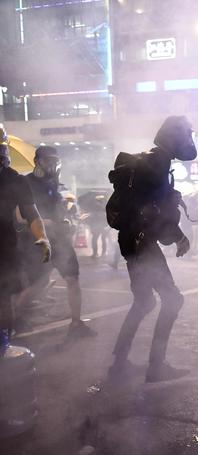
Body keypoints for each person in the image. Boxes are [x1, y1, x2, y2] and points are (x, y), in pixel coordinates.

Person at [107, 115, 194, 383]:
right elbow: (152, 212)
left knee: (144, 302)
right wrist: (178, 236)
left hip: (131, 239)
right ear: (176, 138)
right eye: (186, 135)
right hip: (141, 242)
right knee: (172, 299)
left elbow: (147, 206)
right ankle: (156, 367)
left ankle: (118, 363)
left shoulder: (151, 159)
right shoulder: (158, 162)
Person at [14, 146, 95, 337]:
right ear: (38, 161)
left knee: (72, 279)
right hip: (39, 241)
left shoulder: (54, 184)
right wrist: (43, 223)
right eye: (48, 160)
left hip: (60, 240)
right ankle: (14, 318)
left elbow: (59, 211)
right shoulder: (25, 183)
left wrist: (67, 221)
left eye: (55, 161)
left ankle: (76, 323)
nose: (52, 164)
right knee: (38, 285)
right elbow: (19, 217)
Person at [0, 126, 51, 346]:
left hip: (5, 250)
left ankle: (3, 345)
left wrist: (43, 236)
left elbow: (32, 213)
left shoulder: (15, 180)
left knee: (4, 300)